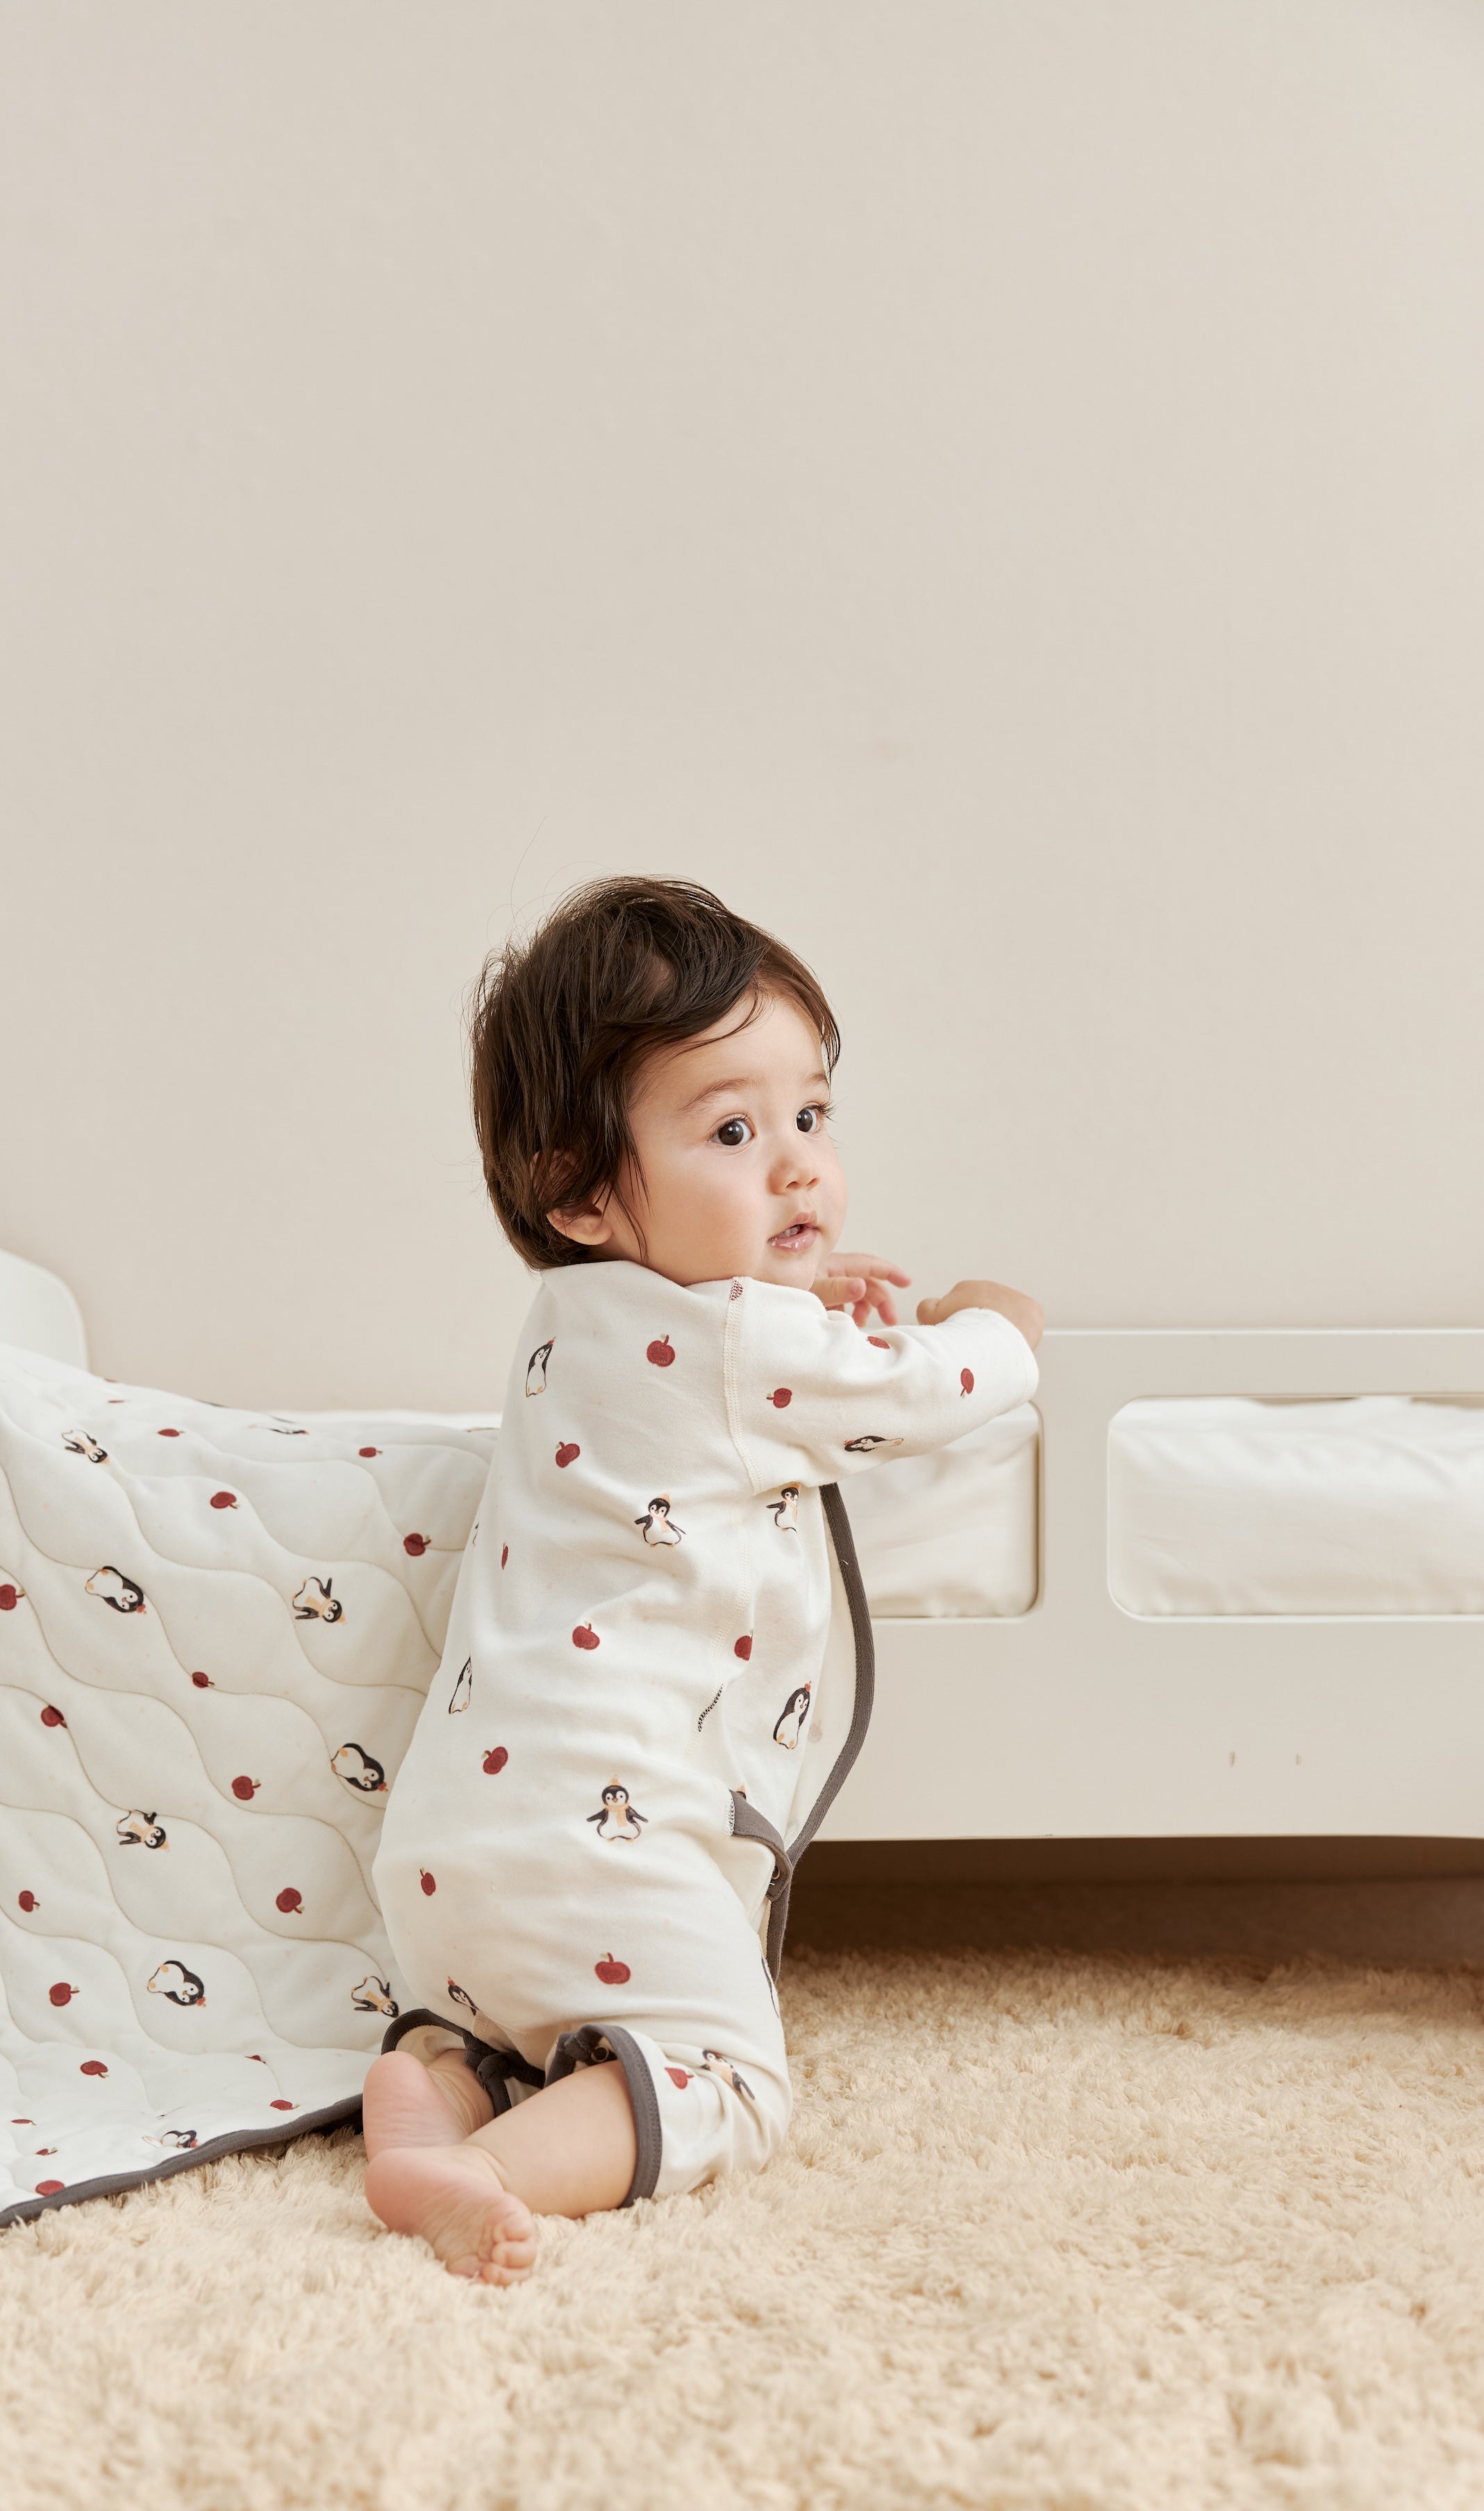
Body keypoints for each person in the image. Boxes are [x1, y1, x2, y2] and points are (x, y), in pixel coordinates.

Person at [362, 877, 1042, 2282]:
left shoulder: (577, 1322)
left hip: (447, 1856)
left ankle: (432, 2077)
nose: (798, 1165)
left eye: (812, 1114)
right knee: (729, 2079)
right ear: (582, 1193)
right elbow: (925, 1389)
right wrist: (997, 1320)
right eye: (734, 1128)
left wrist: (788, 1285)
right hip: (598, 1844)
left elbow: (742, 1360)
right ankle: (476, 2168)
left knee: (505, 2034)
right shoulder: (735, 1346)